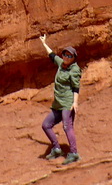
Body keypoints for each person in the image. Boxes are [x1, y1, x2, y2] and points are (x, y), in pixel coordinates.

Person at [38, 33, 81, 164]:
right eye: (65, 54)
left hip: (67, 103)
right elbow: (52, 55)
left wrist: (75, 102)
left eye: (70, 56)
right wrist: (44, 43)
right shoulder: (61, 63)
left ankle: (73, 153)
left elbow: (76, 88)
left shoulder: (74, 70)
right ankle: (56, 149)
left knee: (67, 126)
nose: (66, 57)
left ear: (73, 58)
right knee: (46, 125)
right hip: (58, 103)